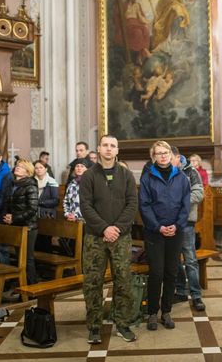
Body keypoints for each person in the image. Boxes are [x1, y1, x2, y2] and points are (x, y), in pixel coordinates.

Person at [80, 135, 138, 343]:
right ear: (98, 149)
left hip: (121, 237)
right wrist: (104, 228)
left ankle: (122, 323)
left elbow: (132, 204)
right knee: (92, 282)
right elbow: (85, 206)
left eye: (112, 146)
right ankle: (94, 326)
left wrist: (117, 228)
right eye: (105, 145)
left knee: (123, 281)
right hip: (95, 237)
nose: (108, 149)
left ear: (117, 150)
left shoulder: (126, 175)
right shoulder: (88, 175)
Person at [139, 141, 190, 331]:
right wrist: (158, 227)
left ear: (171, 154)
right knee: (156, 272)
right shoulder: (147, 178)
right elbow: (144, 206)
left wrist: (177, 225)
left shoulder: (182, 177)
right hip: (155, 232)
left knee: (171, 271)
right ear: (153, 157)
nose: (162, 156)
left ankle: (166, 311)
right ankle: (153, 312)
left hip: (176, 231)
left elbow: (186, 205)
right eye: (158, 153)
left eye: (165, 152)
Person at [170, 146, 205, 311]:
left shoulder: (191, 172)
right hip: (170, 223)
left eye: (170, 157)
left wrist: (178, 200)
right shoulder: (166, 172)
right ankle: (181, 291)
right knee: (175, 260)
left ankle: (196, 295)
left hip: (186, 222)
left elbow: (198, 194)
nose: (166, 160)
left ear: (178, 157)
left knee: (190, 260)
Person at [3, 159, 39, 285]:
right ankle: (23, 285)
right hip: (17, 226)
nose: (17, 167)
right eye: (17, 166)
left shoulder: (30, 186)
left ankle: (32, 286)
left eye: (22, 167)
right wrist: (8, 216)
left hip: (28, 227)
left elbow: (32, 209)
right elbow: (9, 203)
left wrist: (14, 218)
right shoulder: (13, 184)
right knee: (19, 258)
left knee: (27, 259)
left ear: (28, 172)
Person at [114, 0, 152, 65]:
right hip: (128, 24)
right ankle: (144, 51)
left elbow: (140, 17)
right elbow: (119, 16)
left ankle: (140, 56)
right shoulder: (125, 5)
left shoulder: (137, 5)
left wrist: (147, 22)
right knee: (138, 32)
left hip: (136, 23)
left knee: (146, 30)